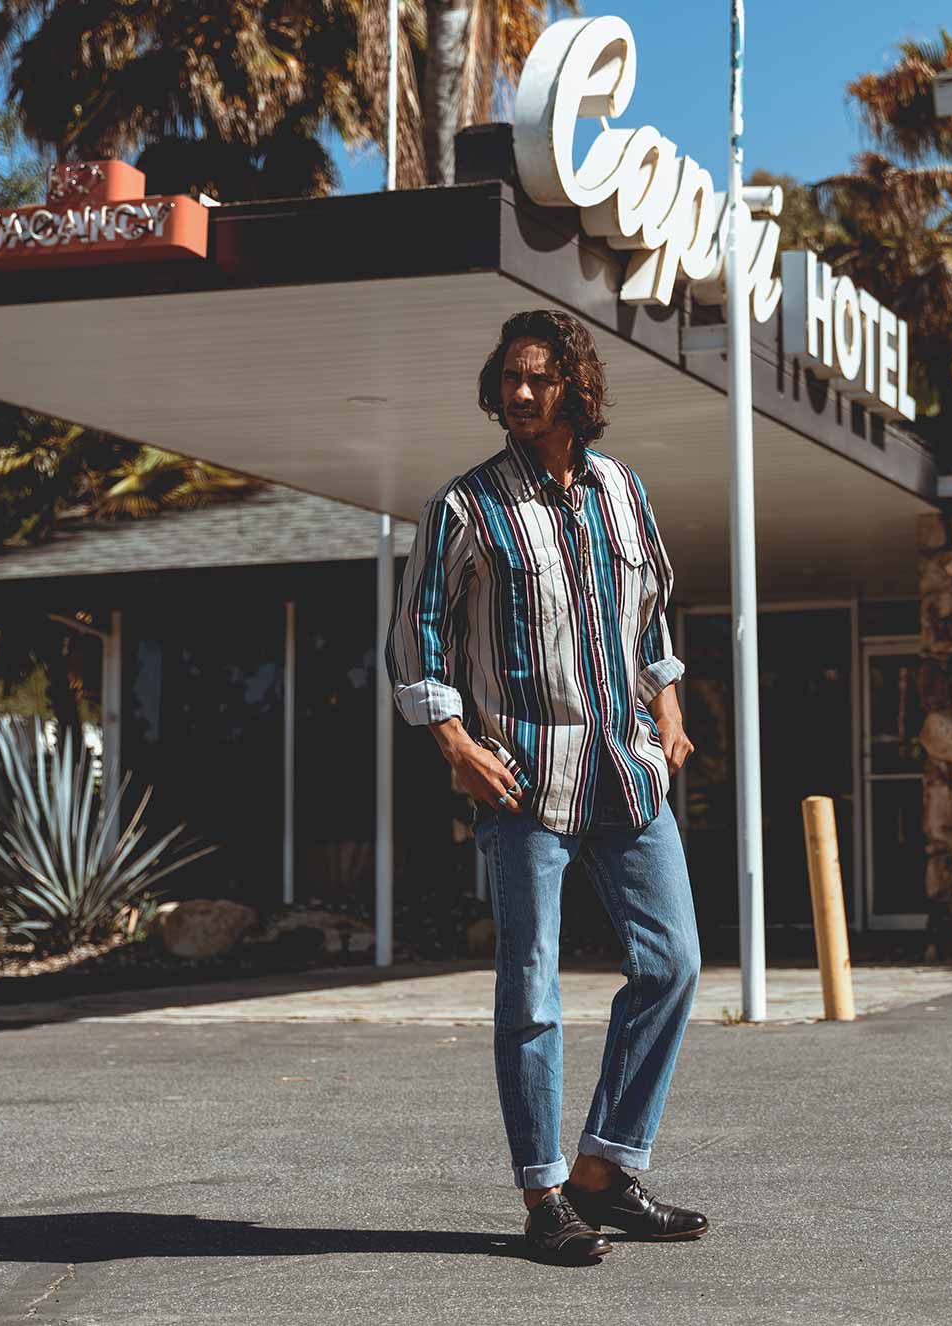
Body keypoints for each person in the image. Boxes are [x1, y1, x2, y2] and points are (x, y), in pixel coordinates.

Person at [385, 309, 705, 1265]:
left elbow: (650, 623)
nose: (519, 396)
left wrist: (672, 711)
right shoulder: (466, 507)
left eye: (539, 380)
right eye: (508, 380)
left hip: (625, 773)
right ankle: (542, 1197)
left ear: (577, 389)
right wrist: (454, 745)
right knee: (531, 989)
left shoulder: (622, 492)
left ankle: (604, 1171)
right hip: (521, 781)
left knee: (674, 962)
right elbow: (418, 639)